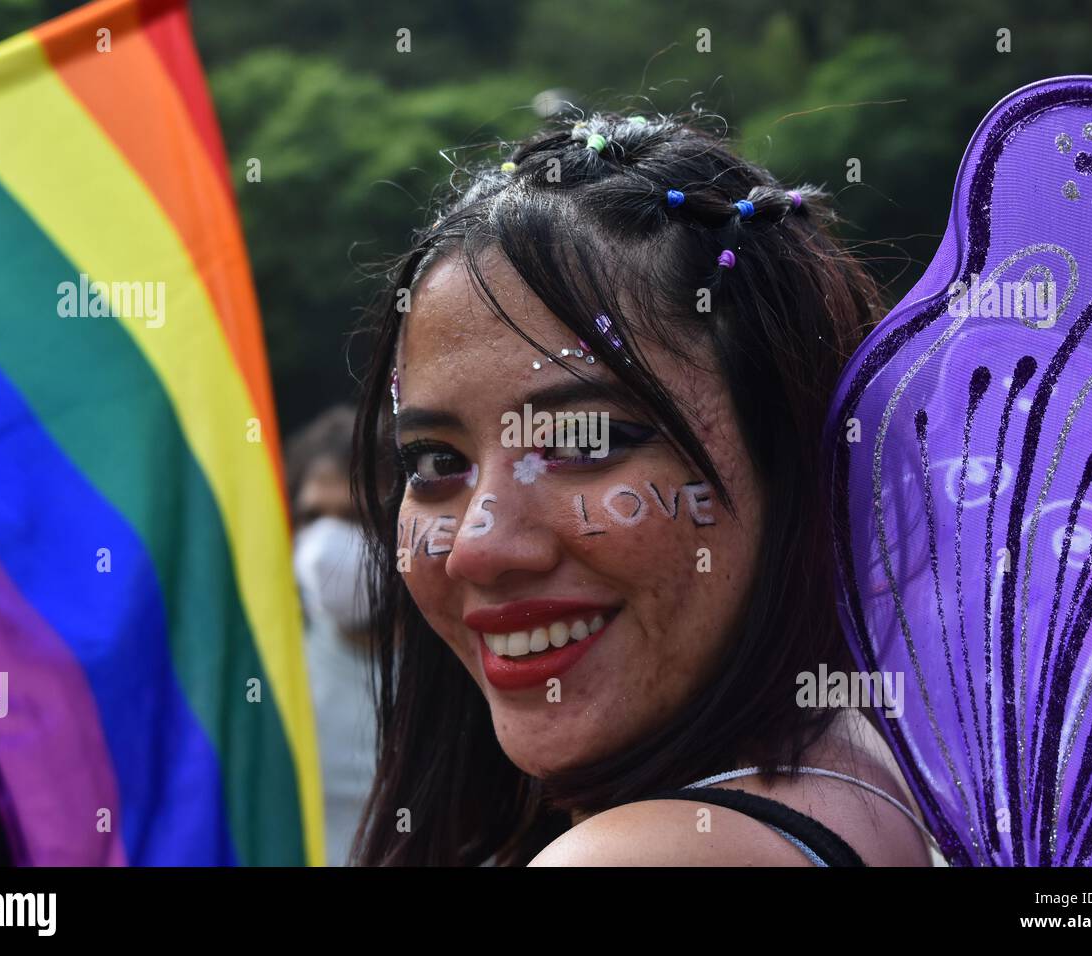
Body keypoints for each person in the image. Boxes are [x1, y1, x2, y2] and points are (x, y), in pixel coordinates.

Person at [348, 110, 940, 866]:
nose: (478, 546)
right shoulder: (873, 780)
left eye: (585, 441)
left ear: (795, 454)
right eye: (435, 462)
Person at [285, 405, 377, 866]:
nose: (327, 544)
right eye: (314, 516)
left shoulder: (468, 672)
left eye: (354, 517)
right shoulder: (274, 669)